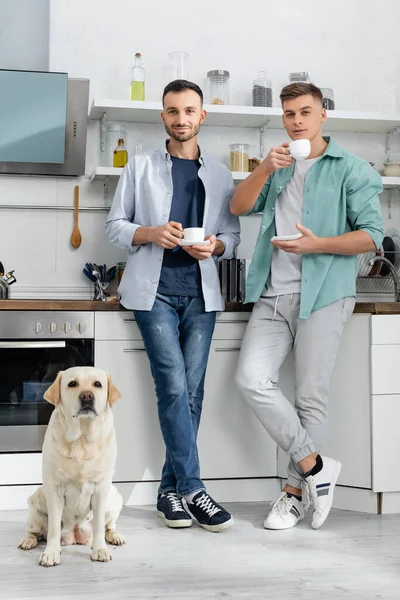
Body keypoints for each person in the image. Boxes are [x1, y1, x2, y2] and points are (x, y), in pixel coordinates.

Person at [231, 82, 384, 531]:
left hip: (326, 293)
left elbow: (371, 234)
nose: (296, 120)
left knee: (309, 397)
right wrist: (262, 167)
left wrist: (319, 245)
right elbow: (238, 205)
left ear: (322, 115)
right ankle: (316, 466)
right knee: (251, 379)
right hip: (273, 294)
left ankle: (295, 493)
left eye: (305, 112)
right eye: (289, 114)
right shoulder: (277, 167)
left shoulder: (349, 168)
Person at [105, 79, 240, 532]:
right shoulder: (139, 168)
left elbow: (233, 236)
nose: (181, 119)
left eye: (189, 111)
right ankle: (195, 489)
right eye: (172, 111)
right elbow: (115, 226)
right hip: (153, 293)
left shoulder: (221, 175)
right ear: (162, 116)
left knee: (193, 393)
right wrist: (151, 233)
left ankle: (169, 491)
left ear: (202, 116)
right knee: (175, 387)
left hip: (202, 296)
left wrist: (217, 246)